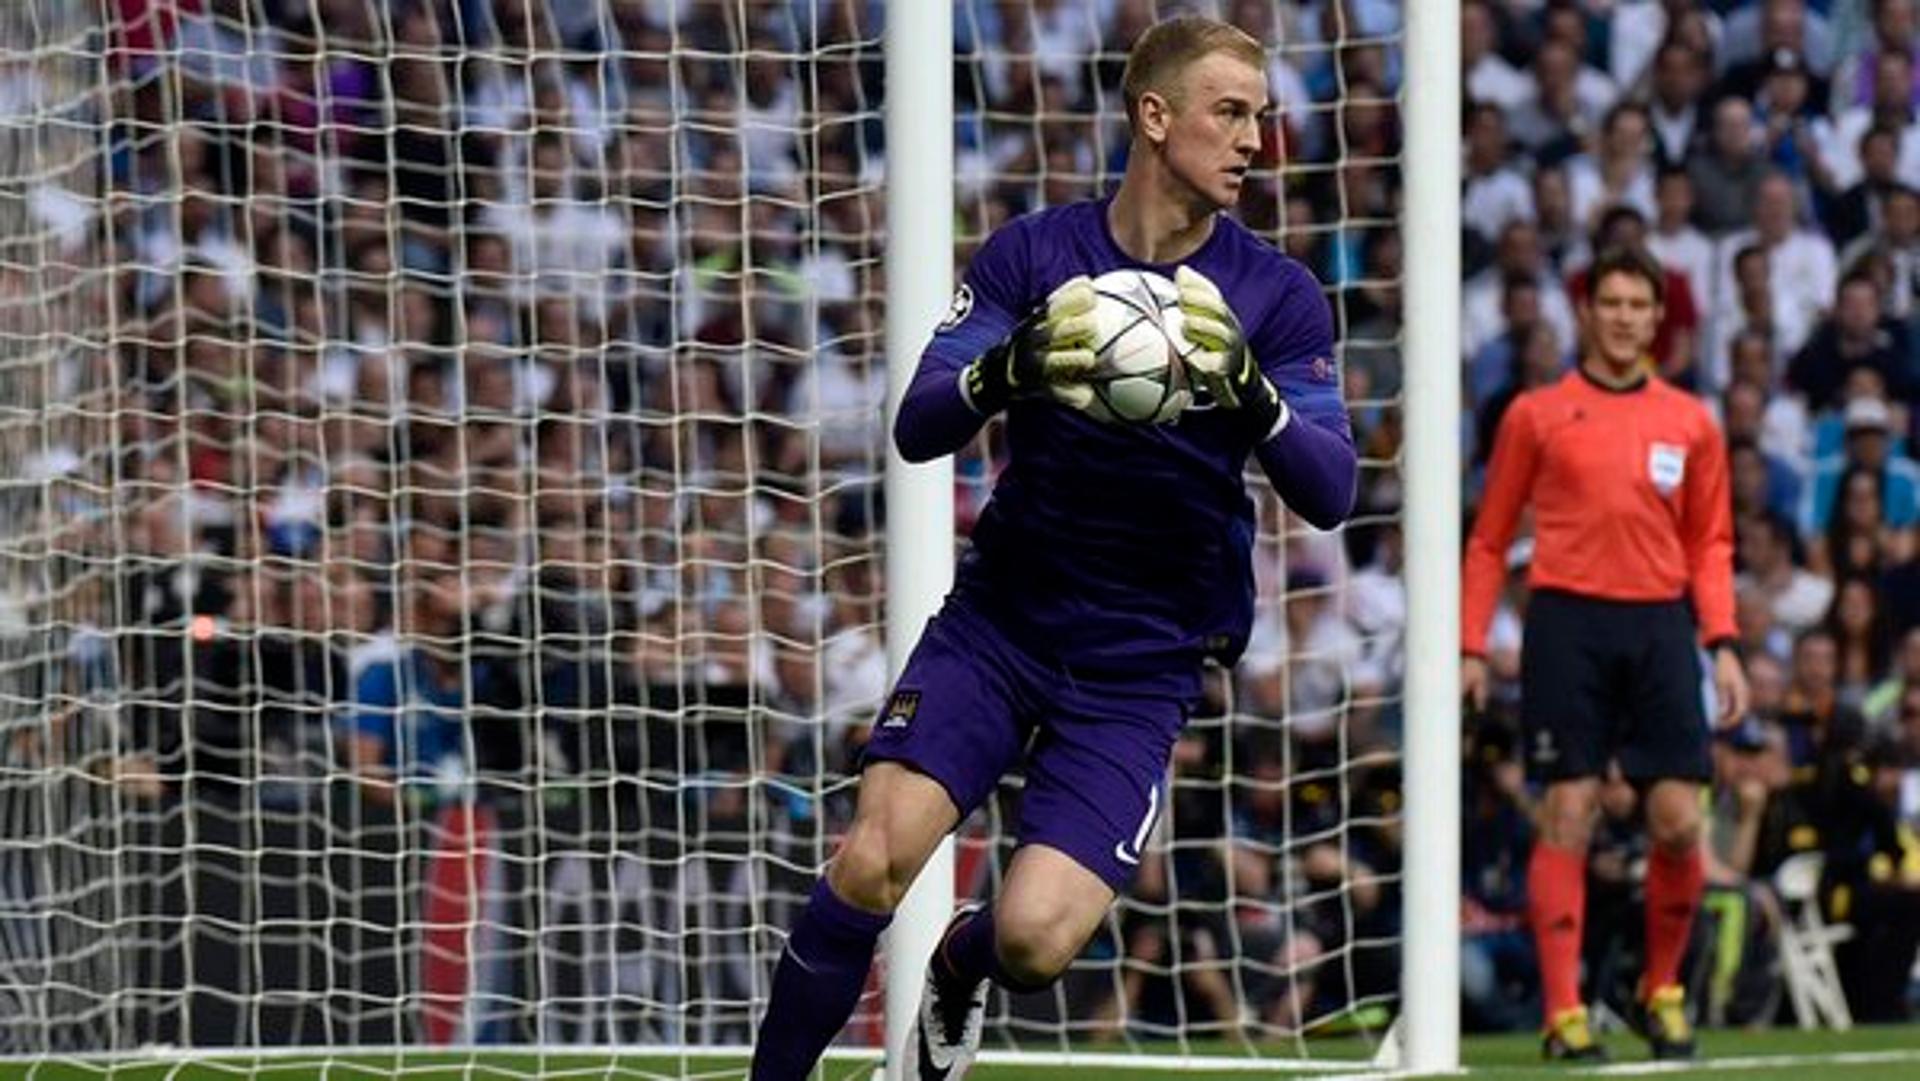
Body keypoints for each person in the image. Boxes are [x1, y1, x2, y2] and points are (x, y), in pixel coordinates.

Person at [747, 15, 1356, 1081]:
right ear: (1154, 117)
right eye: (1232, 113)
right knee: (871, 858)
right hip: (1003, 622)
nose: (1256, 140)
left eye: (1259, 116)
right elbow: (921, 419)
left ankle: (960, 965)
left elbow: (1332, 489)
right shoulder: (1036, 254)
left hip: (1142, 659)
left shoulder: (1275, 298)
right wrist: (1013, 367)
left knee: (1034, 941)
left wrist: (1251, 393)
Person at [1461, 245, 1750, 1063]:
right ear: (1586, 311)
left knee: (1678, 819)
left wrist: (1722, 642)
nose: (1625, 317)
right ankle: (1564, 1014)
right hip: (1567, 622)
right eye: (1611, 302)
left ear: (1658, 318)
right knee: (1569, 811)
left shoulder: (1691, 420)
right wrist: (1472, 645)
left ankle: (1662, 992)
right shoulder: (1536, 414)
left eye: (1639, 305)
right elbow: (1488, 541)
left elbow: (1712, 542)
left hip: (1660, 624)